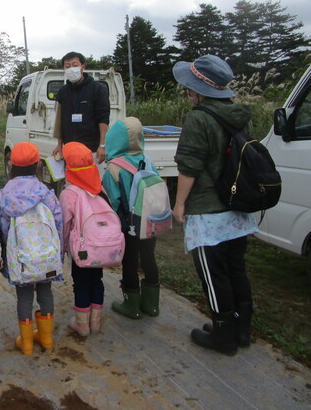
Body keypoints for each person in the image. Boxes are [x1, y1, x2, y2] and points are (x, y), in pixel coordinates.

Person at [172, 55, 258, 356]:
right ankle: (241, 329)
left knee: (213, 273)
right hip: (237, 206)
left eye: (190, 87)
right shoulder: (235, 114)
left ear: (198, 91)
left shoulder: (198, 118)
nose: (188, 92)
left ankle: (223, 336)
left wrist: (180, 204)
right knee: (236, 269)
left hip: (208, 209)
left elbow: (189, 166)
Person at [0, 142, 63, 355]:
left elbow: (4, 229)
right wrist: (58, 255)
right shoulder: (45, 192)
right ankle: (46, 339)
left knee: (24, 296)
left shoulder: (6, 194)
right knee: (46, 292)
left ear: (12, 164)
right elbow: (58, 222)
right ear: (37, 165)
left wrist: (9, 258)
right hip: (45, 257)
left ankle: (26, 344)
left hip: (21, 258)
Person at [103, 117, 160, 319]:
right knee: (148, 258)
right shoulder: (147, 160)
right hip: (151, 220)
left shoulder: (113, 168)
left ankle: (131, 306)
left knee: (129, 261)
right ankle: (152, 305)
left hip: (129, 225)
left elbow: (112, 202)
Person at [59, 142, 108, 335]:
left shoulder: (69, 193)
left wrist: (62, 249)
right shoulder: (99, 188)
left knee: (80, 283)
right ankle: (95, 321)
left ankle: (82, 324)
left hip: (81, 249)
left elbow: (64, 224)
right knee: (97, 280)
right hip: (100, 246)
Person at [52, 52, 110, 163]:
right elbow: (59, 121)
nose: (71, 69)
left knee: (92, 180)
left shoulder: (97, 89)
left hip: (92, 151)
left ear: (82, 67)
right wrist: (59, 145)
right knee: (71, 180)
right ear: (63, 69)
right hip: (70, 151)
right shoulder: (62, 92)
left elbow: (103, 119)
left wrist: (102, 145)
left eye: (75, 65)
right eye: (67, 66)